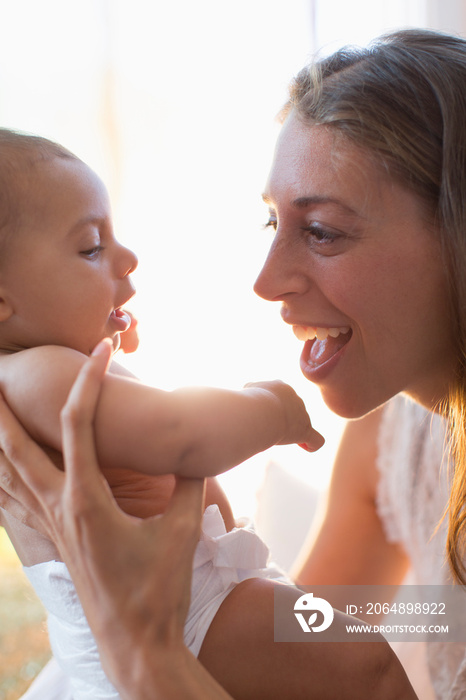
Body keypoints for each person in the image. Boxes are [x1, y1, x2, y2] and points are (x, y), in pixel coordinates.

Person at [0, 129, 413, 699]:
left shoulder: (42, 368)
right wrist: (270, 412)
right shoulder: (37, 374)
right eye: (91, 247)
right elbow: (178, 434)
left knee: (354, 657)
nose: (127, 257)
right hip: (179, 614)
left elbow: (432, 614)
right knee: (363, 664)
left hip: (188, 612)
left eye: (321, 232)